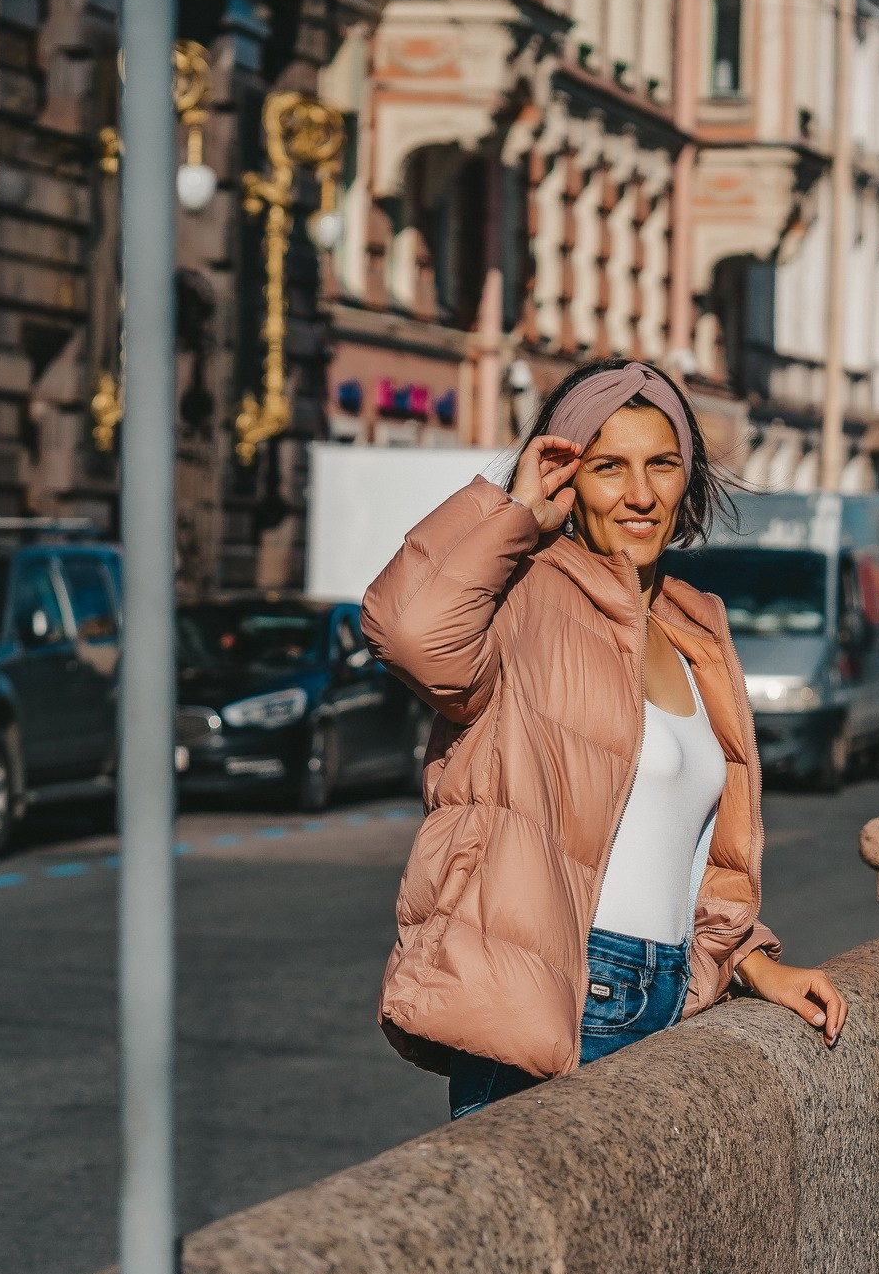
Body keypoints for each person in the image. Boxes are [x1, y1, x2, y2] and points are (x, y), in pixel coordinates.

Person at [362, 357, 848, 1120]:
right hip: (557, 992)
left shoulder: (694, 627)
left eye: (662, 464)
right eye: (609, 466)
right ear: (569, 478)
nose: (640, 494)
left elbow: (685, 846)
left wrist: (749, 960)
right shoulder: (524, 598)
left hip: (672, 992)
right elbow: (405, 628)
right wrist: (510, 509)